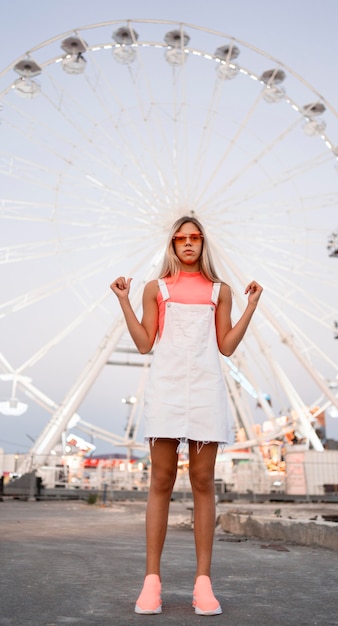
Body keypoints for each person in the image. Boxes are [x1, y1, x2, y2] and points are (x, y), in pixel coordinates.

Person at [110, 215, 263, 616]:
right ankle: (151, 582)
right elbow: (145, 343)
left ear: (203, 243)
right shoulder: (155, 289)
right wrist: (124, 301)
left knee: (202, 481)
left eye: (195, 238)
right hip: (167, 388)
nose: (189, 244)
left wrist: (250, 308)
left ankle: (203, 583)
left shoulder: (219, 291)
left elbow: (226, 346)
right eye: (182, 238)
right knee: (160, 480)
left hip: (206, 389)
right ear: (173, 244)